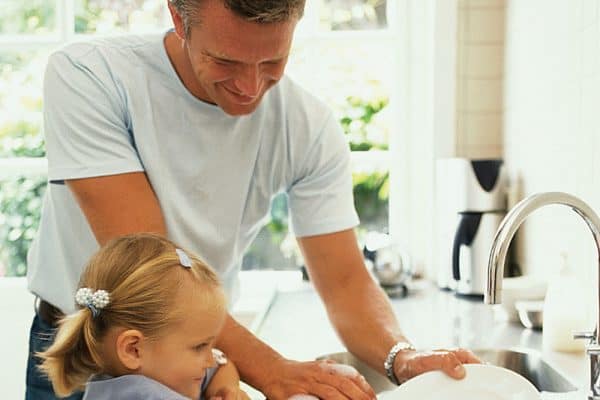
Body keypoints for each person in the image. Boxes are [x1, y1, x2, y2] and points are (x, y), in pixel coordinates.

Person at [26, 0, 480, 399]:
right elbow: (156, 268)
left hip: (200, 362)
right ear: (178, 18)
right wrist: (268, 368)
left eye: (272, 62)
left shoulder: (307, 126)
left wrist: (400, 358)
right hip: (84, 351)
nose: (249, 87)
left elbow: (344, 282)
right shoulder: (89, 77)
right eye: (225, 60)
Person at [38, 233, 248, 400]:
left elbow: (222, 365)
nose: (210, 360)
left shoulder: (159, 372)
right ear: (133, 349)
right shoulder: (139, 394)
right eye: (199, 347)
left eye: (210, 345)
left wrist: (225, 389)